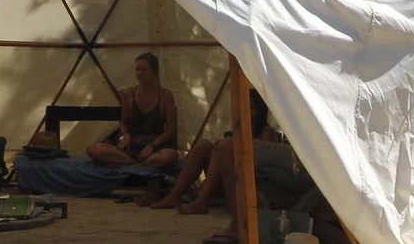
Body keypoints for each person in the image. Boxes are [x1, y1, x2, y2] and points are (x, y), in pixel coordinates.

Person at [145, 90, 291, 213]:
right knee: (204, 145)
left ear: (260, 111)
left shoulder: (266, 132)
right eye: (244, 106)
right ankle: (175, 195)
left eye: (252, 108)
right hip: (227, 177)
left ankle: (201, 201)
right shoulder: (239, 129)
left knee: (221, 149)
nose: (247, 111)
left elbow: (266, 167)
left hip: (246, 182)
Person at [86, 53, 179, 169]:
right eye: (137, 69)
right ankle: (136, 163)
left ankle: (127, 163)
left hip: (153, 148)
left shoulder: (165, 96)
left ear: (155, 72)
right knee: (93, 149)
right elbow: (123, 121)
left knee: (171, 156)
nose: (140, 73)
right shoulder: (129, 94)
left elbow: (171, 129)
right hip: (131, 146)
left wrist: (152, 145)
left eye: (144, 69)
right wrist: (125, 135)